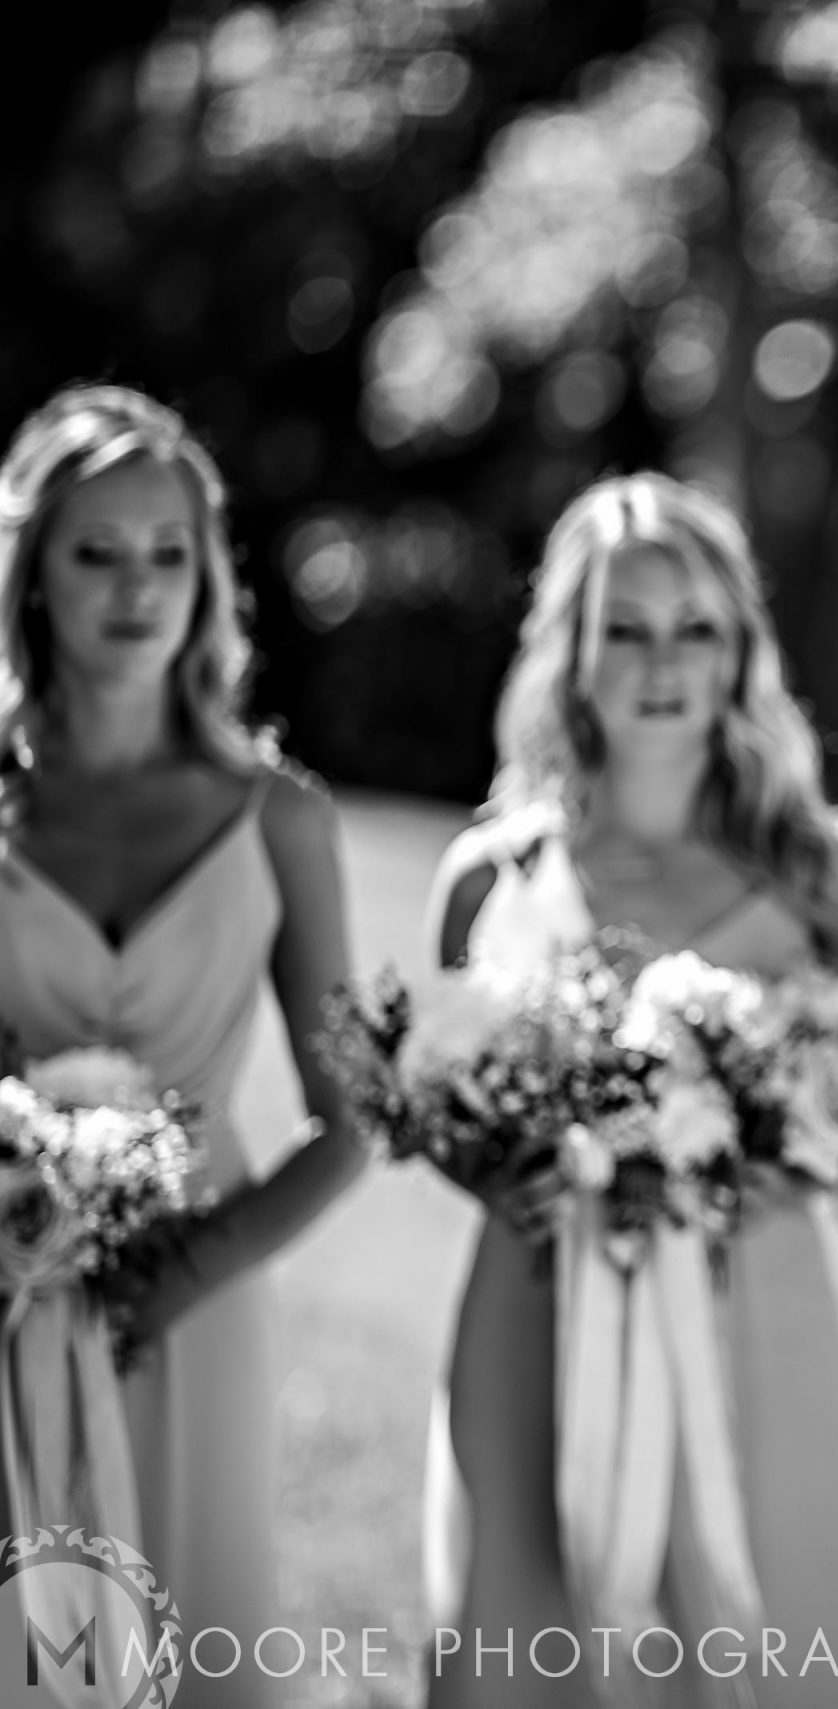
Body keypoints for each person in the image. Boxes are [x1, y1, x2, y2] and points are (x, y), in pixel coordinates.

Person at [422, 472, 838, 1708]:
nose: (661, 663)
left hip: (758, 1316)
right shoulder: (489, 878)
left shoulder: (824, 876)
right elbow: (443, 1114)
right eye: (623, 628)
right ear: (569, 648)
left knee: (756, 1636)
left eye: (696, 629)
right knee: (519, 1636)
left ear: (741, 649)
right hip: (532, 1313)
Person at [0, 383, 369, 1704]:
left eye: (170, 553)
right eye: (96, 552)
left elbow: (353, 1120)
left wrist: (185, 1269)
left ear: (210, 577)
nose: (136, 589)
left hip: (197, 1296)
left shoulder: (284, 820)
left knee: (191, 1634)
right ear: (32, 572)